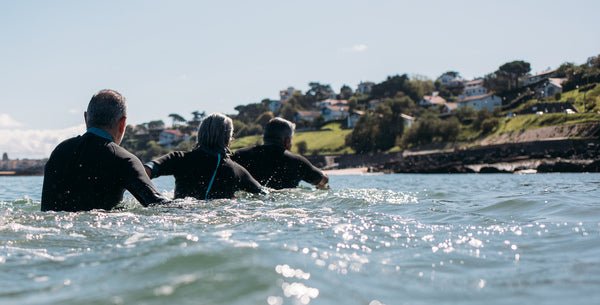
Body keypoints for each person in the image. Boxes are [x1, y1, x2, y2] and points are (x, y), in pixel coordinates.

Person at [41, 89, 169, 212]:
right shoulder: (123, 160)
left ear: (86, 118)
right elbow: (158, 205)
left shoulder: (60, 152)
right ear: (122, 123)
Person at [144, 113, 263, 199]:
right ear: (228, 139)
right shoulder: (237, 171)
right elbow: (265, 194)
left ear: (200, 134)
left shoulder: (180, 159)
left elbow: (145, 170)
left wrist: (153, 199)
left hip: (182, 215)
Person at [232, 117, 328, 190]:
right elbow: (322, 180)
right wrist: (323, 175)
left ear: (264, 137)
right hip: (283, 208)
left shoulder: (241, 155)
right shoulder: (297, 162)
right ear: (287, 140)